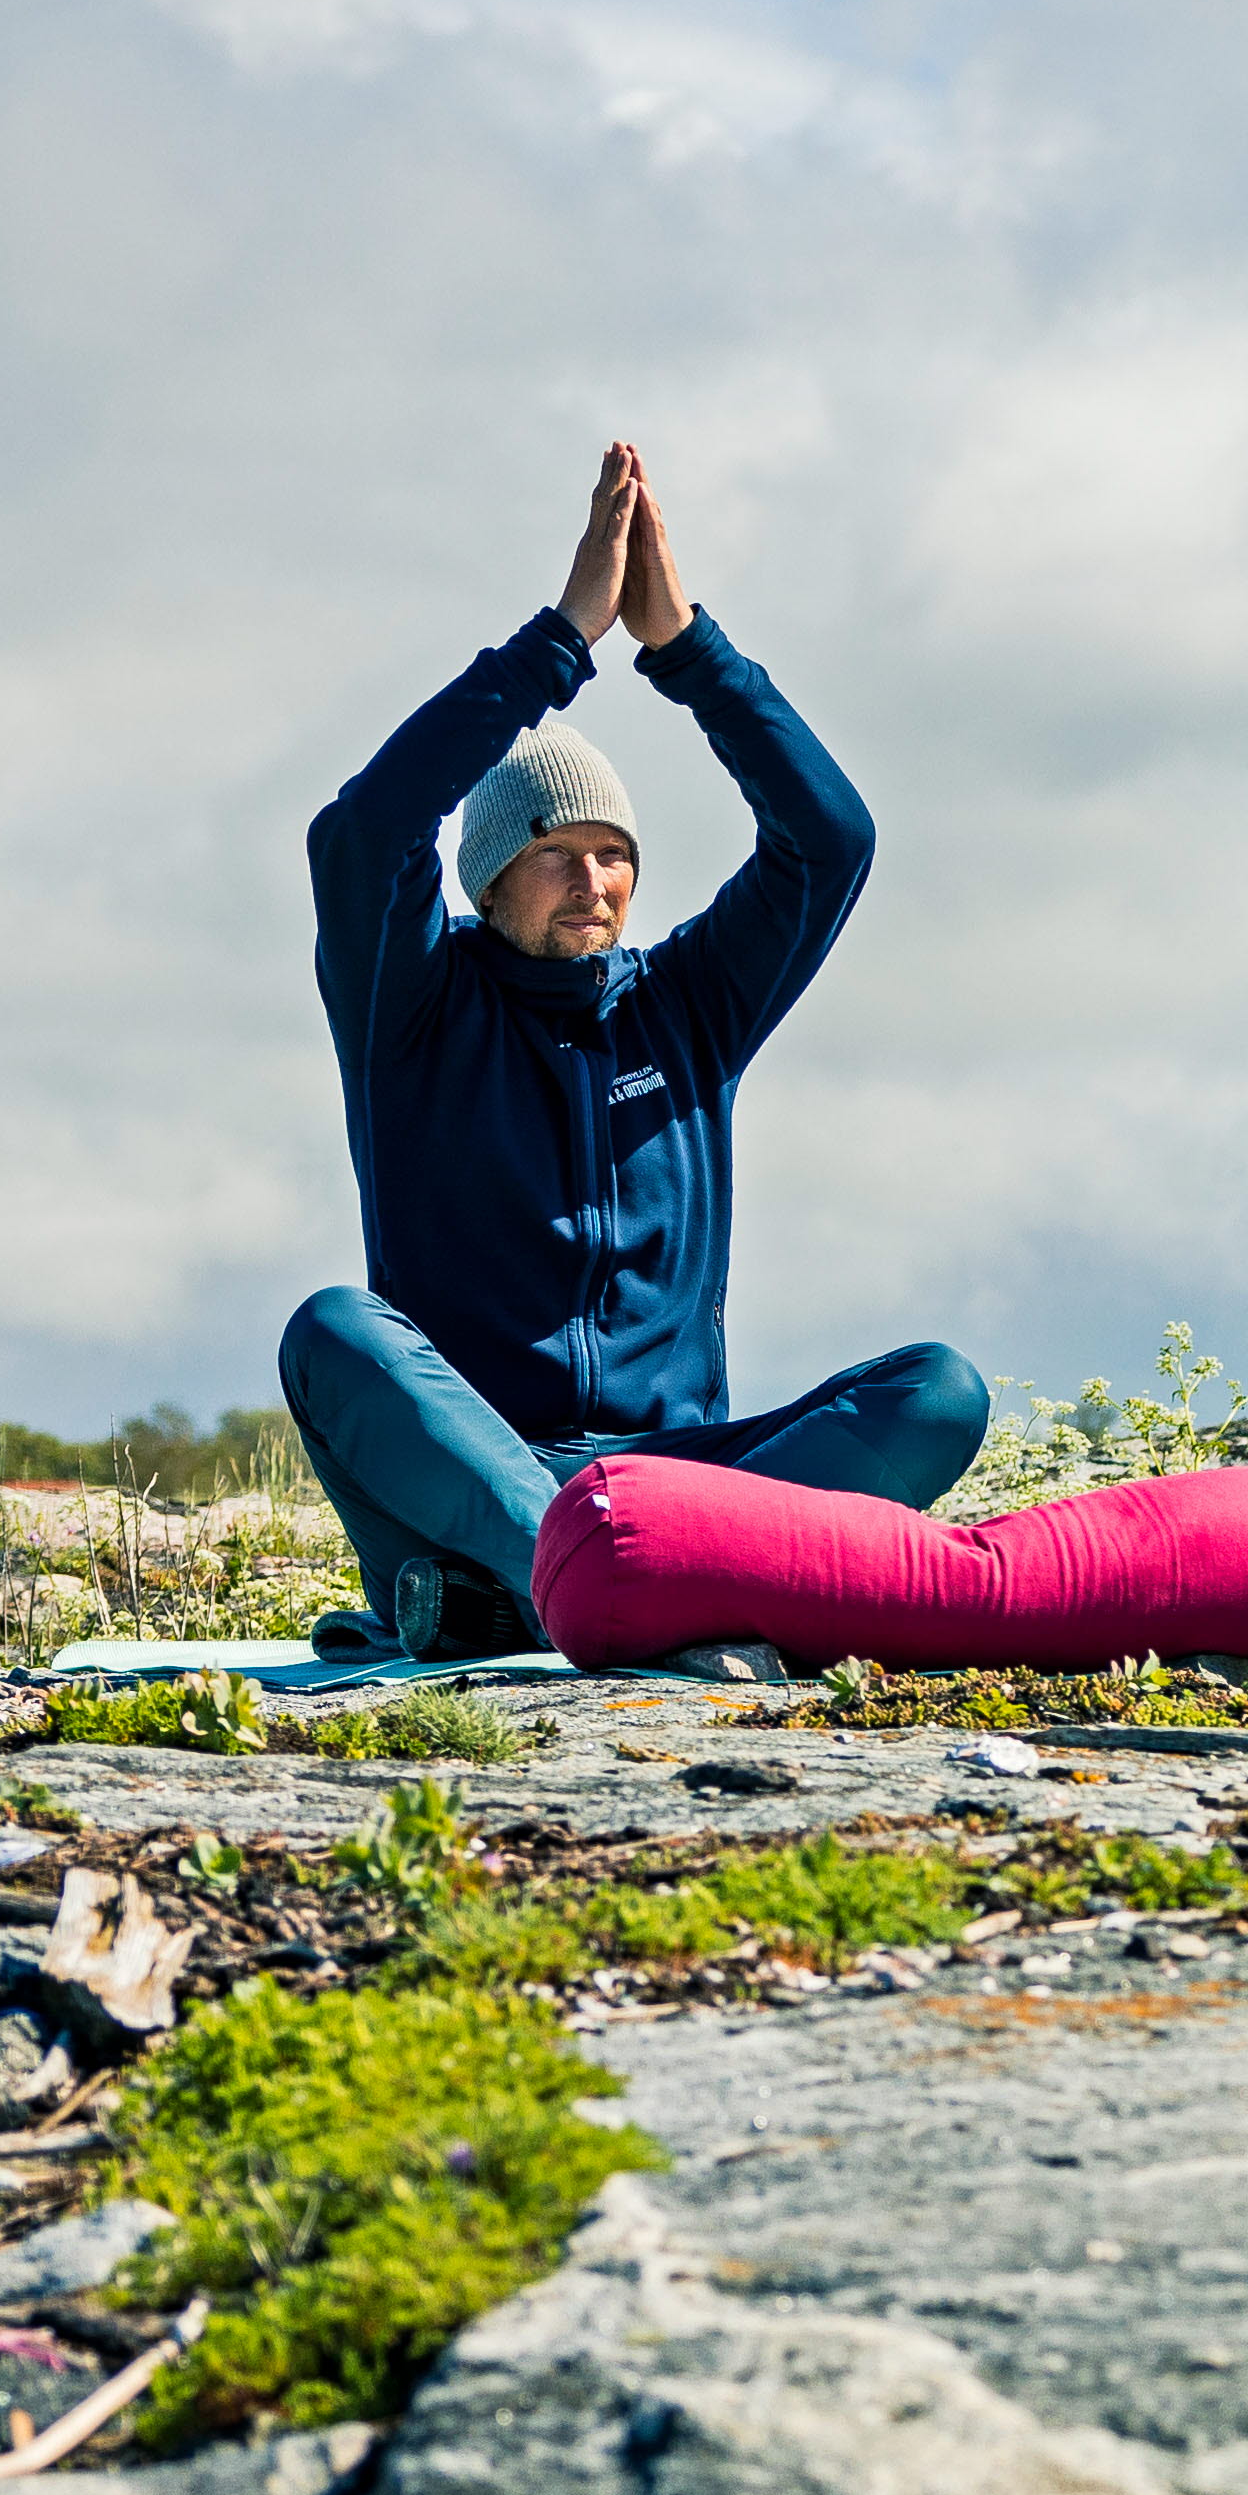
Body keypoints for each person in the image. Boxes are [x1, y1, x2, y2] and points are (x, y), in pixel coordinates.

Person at [281, 445, 989, 1658]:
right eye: (557, 852)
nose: (595, 879)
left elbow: (830, 838)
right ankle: (604, 1574)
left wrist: (684, 649)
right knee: (331, 1331)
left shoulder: (687, 1002)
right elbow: (364, 833)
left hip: (677, 1480)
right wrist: (561, 642)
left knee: (938, 1390)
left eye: (615, 854)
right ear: (490, 876)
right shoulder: (415, 1008)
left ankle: (605, 1583)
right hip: (476, 1485)